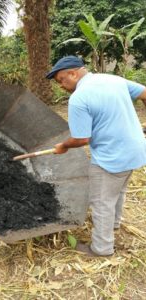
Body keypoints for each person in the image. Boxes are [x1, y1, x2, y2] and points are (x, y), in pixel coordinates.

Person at [46, 55, 146, 257]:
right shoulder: (112, 79)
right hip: (135, 152)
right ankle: (114, 225)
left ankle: (101, 248)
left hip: (111, 159)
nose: (61, 87)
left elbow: (82, 139)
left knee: (101, 203)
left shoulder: (79, 98)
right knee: (117, 192)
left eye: (61, 81)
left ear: (73, 73)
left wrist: (63, 146)